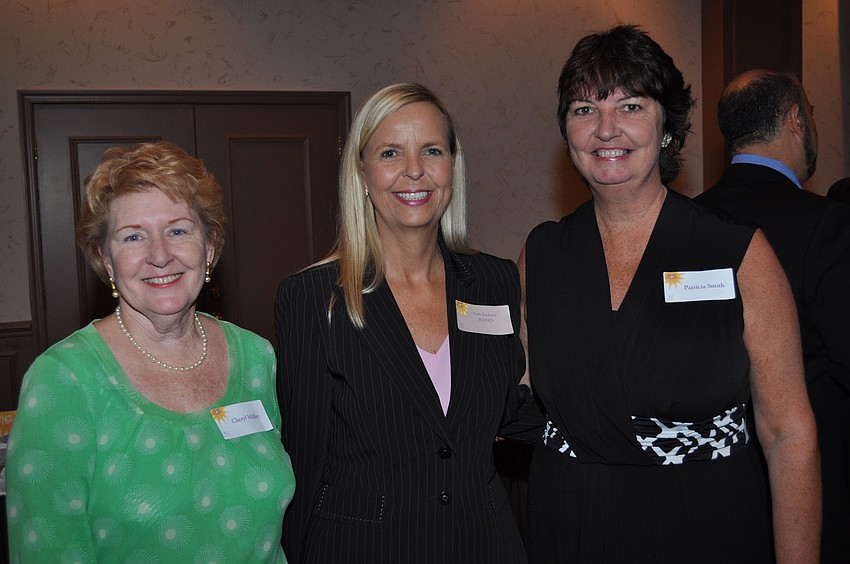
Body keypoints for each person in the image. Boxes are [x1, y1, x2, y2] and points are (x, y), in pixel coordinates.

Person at [520, 26, 820, 562]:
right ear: (567, 132)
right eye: (585, 110)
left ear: (667, 127)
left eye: (630, 106)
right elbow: (506, 394)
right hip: (571, 520)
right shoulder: (542, 254)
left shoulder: (738, 251)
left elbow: (788, 434)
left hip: (704, 524)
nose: (605, 130)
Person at [275, 83, 541, 563]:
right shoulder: (313, 298)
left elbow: (508, 409)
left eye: (432, 151)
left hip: (483, 545)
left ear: (453, 166)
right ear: (362, 172)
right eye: (390, 152)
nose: (414, 169)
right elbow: (304, 461)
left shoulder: (494, 282)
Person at [5, 142, 295, 563]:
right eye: (133, 236)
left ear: (210, 247)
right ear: (106, 259)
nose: (160, 256)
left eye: (178, 231)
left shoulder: (256, 357)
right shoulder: (64, 380)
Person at [697, 69, 850, 563]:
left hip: (708, 490)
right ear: (796, 121)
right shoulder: (829, 224)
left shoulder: (683, 223)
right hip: (818, 492)